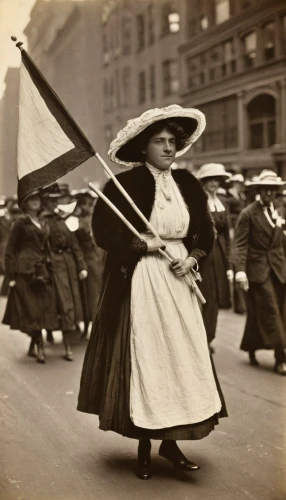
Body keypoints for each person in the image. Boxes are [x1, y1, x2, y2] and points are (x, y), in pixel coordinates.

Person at [77, 104, 227, 480]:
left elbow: (205, 232)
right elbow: (103, 233)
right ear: (144, 147)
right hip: (141, 279)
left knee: (180, 357)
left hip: (179, 279)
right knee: (148, 357)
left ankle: (171, 443)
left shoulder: (188, 184)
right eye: (159, 141)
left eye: (172, 142)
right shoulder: (122, 186)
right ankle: (144, 446)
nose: (167, 148)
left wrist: (193, 258)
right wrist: (138, 245)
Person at [234, 170, 286, 375]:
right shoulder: (248, 213)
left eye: (273, 190)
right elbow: (239, 245)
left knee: (272, 312)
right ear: (258, 191)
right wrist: (239, 271)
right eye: (265, 190)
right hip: (258, 270)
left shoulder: (281, 211)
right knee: (271, 310)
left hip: (280, 269)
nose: (269, 194)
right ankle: (280, 359)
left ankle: (252, 346)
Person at [2, 190, 59, 363]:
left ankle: (33, 346)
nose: (34, 201)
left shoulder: (43, 221)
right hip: (24, 271)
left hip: (42, 269)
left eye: (37, 199)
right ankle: (40, 347)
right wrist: (10, 276)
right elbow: (10, 250)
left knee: (44, 307)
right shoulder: (20, 223)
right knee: (33, 309)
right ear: (25, 203)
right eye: (30, 199)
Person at [41, 183, 88, 361]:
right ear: (45, 202)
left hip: (67, 266)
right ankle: (43, 341)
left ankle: (68, 344)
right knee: (52, 304)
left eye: (57, 200)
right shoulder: (43, 221)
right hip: (50, 266)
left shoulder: (64, 220)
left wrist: (81, 266)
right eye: (51, 201)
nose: (55, 204)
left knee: (70, 303)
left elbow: (75, 246)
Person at [196, 163, 233, 350]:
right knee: (205, 295)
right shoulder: (197, 202)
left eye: (217, 179)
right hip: (203, 254)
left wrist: (229, 262)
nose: (214, 183)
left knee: (217, 296)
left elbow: (226, 234)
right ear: (203, 181)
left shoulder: (223, 202)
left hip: (219, 253)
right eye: (210, 179)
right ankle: (201, 337)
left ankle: (209, 336)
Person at [75, 190, 106, 334]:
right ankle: (89, 325)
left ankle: (94, 325)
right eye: (88, 204)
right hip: (87, 261)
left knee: (94, 294)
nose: (91, 206)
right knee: (89, 295)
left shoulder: (91, 219)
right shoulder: (79, 221)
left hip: (94, 260)